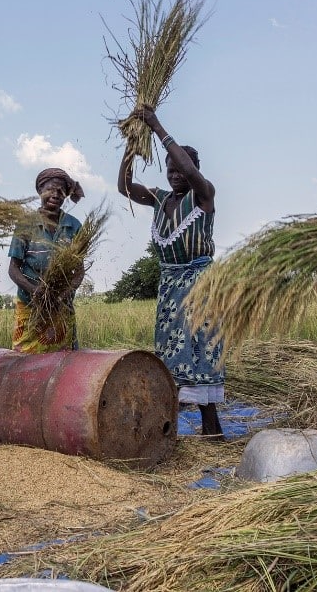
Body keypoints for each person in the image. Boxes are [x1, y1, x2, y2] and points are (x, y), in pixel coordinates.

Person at [117, 106, 225, 438]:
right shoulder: (159, 199)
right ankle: (172, 427)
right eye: (170, 170)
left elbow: (191, 172)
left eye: (181, 168)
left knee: (199, 347)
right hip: (169, 283)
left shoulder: (203, 195)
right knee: (170, 351)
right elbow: (124, 186)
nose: (176, 174)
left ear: (192, 170)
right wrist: (134, 144)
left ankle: (211, 426)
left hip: (198, 282)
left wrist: (158, 126)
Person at [7, 168, 85, 353]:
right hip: (30, 305)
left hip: (61, 306)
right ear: (40, 190)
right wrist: (35, 291)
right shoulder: (26, 224)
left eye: (61, 191)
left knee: (62, 361)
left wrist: (64, 293)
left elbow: (79, 271)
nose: (56, 195)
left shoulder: (73, 226)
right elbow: (13, 269)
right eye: (51, 189)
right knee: (25, 358)